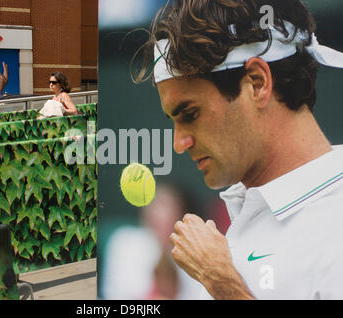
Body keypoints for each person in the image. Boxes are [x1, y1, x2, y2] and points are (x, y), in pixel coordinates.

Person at [133, 0, 343, 299]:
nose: (180, 143)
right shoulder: (244, 218)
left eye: (190, 114)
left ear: (257, 83)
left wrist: (225, 286)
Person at [101, 182, 204, 300]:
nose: (156, 212)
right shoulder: (124, 242)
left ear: (182, 214)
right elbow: (117, 295)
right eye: (153, 204)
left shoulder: (195, 257)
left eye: (165, 205)